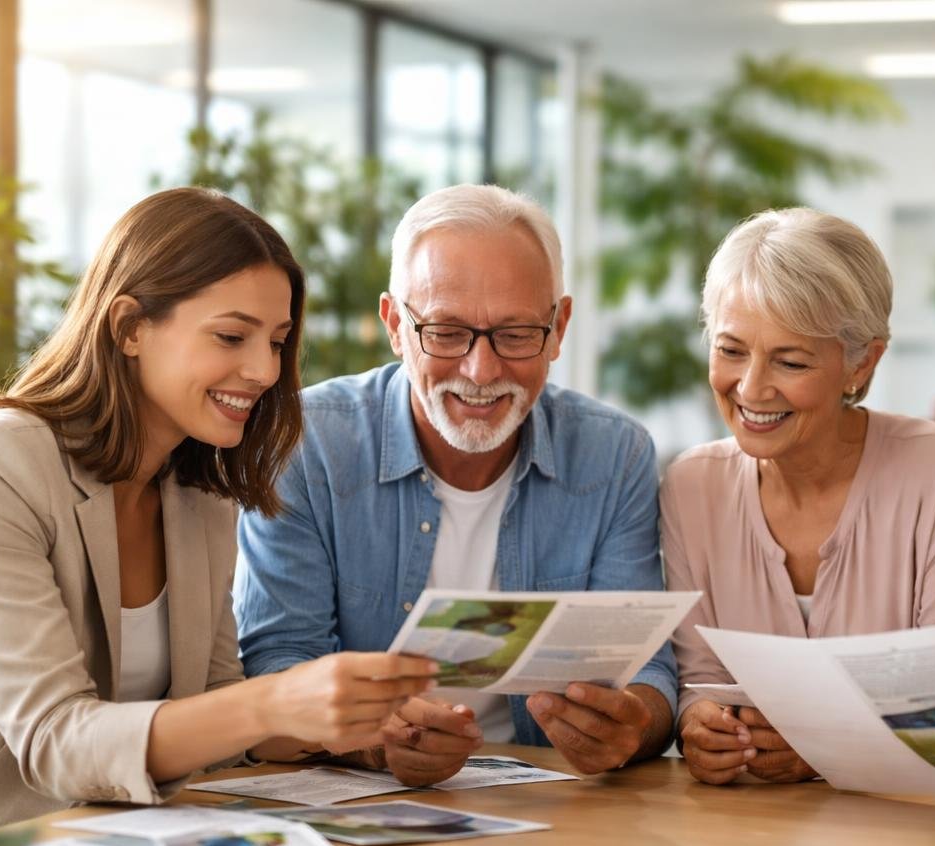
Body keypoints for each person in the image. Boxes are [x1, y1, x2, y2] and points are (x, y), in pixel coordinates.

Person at [0, 187, 434, 839]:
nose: (266, 370)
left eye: (277, 340)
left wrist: (360, 734)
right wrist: (272, 698)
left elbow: (215, 728)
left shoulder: (199, 495)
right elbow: (54, 739)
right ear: (129, 326)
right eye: (232, 336)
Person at [234, 184, 677, 785]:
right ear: (394, 324)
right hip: (363, 800)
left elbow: (647, 670)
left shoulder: (613, 455)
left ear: (559, 326)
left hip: (551, 803)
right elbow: (275, 663)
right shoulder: (306, 443)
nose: (481, 370)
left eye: (517, 334)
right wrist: (372, 742)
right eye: (444, 332)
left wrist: (632, 725)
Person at [662, 208, 935, 785]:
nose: (750, 388)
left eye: (790, 360)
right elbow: (698, 681)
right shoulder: (690, 485)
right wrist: (700, 725)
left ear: (862, 363)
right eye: (731, 350)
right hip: (754, 827)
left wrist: (821, 747)